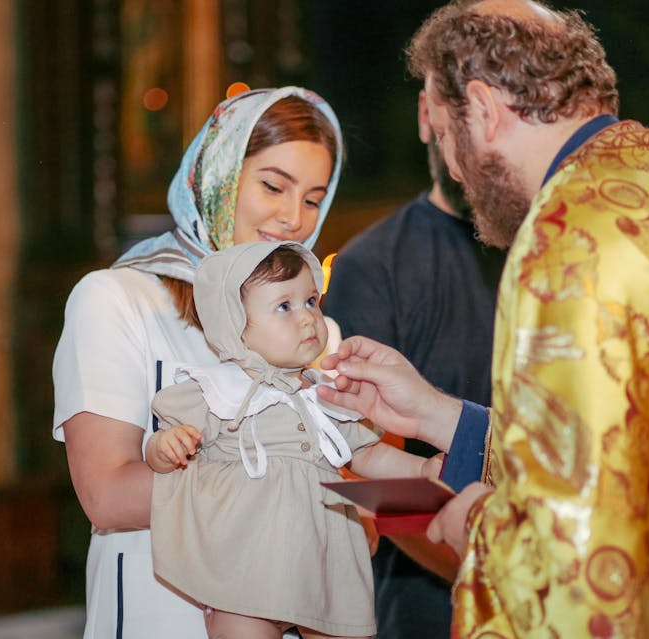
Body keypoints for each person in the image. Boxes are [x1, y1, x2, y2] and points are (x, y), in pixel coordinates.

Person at [317, 1, 649, 637]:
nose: (454, 169)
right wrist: (436, 414)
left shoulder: (565, 237)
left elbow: (575, 565)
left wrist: (476, 522)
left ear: (482, 108)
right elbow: (617, 450)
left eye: (447, 136)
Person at [52, 86, 345, 639]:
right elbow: (108, 497)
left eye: (312, 199)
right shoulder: (117, 299)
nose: (292, 218)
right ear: (220, 176)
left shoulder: (313, 329)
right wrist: (289, 484)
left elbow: (342, 496)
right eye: (272, 186)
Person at [146, 241, 436, 639]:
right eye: (285, 306)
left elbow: (367, 454)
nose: (307, 319)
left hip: (325, 556)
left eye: (311, 301)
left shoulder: (326, 394)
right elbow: (160, 447)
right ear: (234, 322)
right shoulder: (219, 392)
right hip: (246, 564)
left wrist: (422, 469)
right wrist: (165, 448)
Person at [323, 89, 505, 639]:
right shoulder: (372, 266)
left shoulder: (553, 246)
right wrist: (494, 575)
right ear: (428, 114)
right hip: (428, 601)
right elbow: (363, 467)